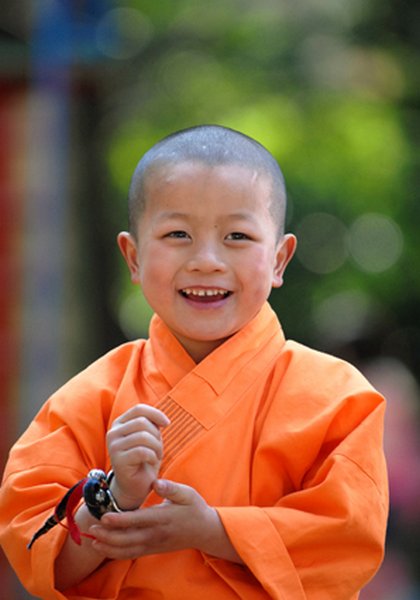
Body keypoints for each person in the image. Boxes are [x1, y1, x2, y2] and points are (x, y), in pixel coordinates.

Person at [0, 125, 388, 599]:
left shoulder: (337, 398)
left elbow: (348, 541)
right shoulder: (89, 398)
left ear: (279, 260)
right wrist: (115, 497)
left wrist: (213, 530)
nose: (206, 260)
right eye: (178, 234)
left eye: (237, 236)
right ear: (134, 257)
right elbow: (42, 559)